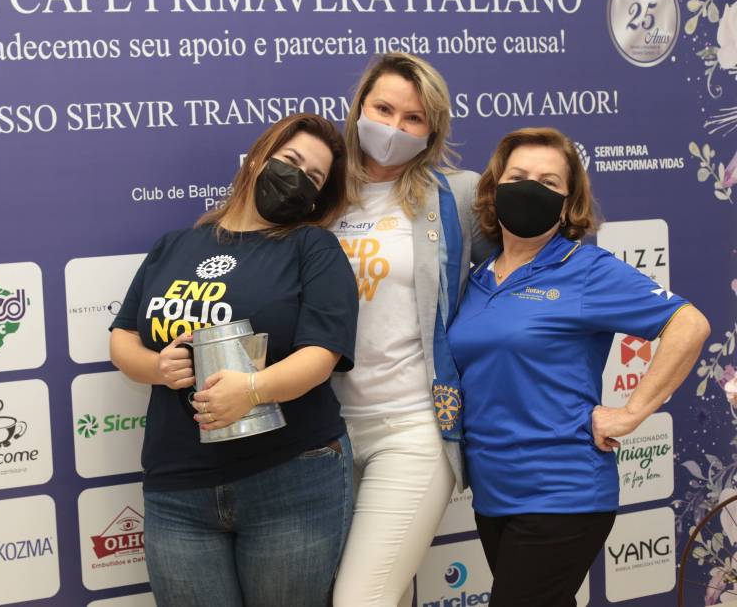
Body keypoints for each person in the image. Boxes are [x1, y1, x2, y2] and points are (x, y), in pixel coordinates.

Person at [447, 127, 710, 606]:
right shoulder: (477, 277)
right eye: (517, 177)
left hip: (562, 491)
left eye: (548, 183)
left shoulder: (585, 270)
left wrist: (630, 413)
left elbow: (688, 325)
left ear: (568, 203)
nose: (530, 189)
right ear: (494, 188)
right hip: (493, 493)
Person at [108, 113, 359, 607]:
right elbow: (124, 337)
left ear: (317, 197)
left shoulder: (313, 248)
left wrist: (251, 391)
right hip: (177, 487)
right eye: (290, 160)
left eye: (313, 177)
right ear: (258, 159)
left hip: (291, 478)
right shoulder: (175, 246)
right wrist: (156, 368)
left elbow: (321, 354)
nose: (297, 178)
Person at [332, 52, 493, 607]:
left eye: (413, 118)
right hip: (324, 434)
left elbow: (522, 269)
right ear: (359, 108)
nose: (394, 127)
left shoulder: (458, 195)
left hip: (412, 426)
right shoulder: (321, 193)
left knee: (360, 598)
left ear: (432, 131)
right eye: (383, 109)